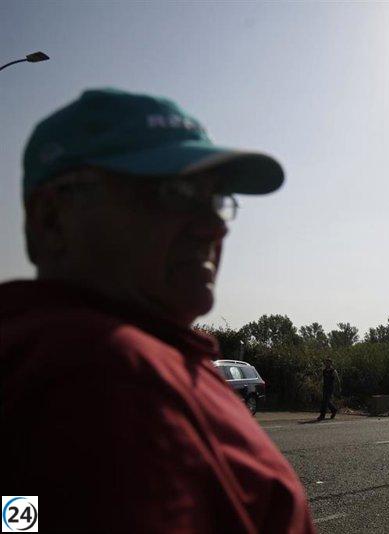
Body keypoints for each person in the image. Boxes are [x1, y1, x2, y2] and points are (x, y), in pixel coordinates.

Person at [0, 88, 315, 533]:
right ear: (52, 218)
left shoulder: (131, 358)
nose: (214, 225)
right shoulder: (105, 372)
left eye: (214, 198)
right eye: (174, 192)